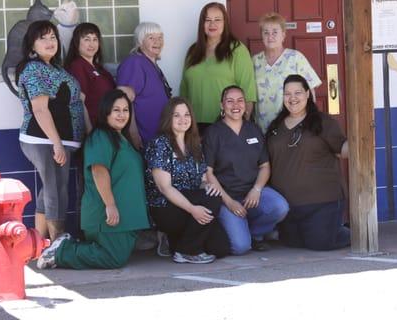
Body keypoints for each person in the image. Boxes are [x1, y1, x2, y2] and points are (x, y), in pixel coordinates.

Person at [37, 89, 150, 269]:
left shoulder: (122, 138)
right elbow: (99, 171)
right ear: (106, 112)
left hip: (126, 217)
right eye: (116, 110)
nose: (122, 115)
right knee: (113, 258)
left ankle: (65, 248)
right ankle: (61, 252)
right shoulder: (101, 136)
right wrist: (110, 204)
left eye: (125, 110)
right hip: (106, 213)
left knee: (118, 255)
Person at [15, 20, 87, 242]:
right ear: (32, 46)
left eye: (53, 37)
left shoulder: (56, 69)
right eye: (43, 38)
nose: (49, 42)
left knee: (52, 188)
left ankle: (38, 243)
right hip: (42, 139)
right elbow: (40, 109)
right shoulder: (34, 69)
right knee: (55, 188)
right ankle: (57, 242)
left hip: (62, 140)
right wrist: (56, 143)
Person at [266, 74, 350, 251]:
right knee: (292, 243)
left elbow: (343, 150)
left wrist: (363, 137)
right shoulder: (275, 126)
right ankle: (328, 229)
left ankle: (351, 232)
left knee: (319, 243)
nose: (292, 98)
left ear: (307, 94)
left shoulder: (323, 122)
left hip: (322, 202)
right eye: (287, 94)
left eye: (298, 92)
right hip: (289, 206)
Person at [203, 86, 289, 255]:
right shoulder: (213, 133)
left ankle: (254, 233)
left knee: (280, 207)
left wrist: (256, 190)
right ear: (222, 105)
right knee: (240, 247)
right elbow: (208, 173)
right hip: (225, 195)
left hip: (251, 192)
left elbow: (264, 166)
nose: (236, 105)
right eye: (230, 101)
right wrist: (229, 202)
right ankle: (237, 231)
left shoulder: (253, 129)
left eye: (240, 100)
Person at [144, 97, 230, 264]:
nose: (183, 119)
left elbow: (203, 179)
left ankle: (176, 241)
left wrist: (208, 186)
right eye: (176, 115)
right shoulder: (160, 144)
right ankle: (186, 251)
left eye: (186, 114)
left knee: (221, 248)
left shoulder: (194, 145)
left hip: (190, 205)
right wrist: (193, 209)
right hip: (166, 207)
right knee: (212, 199)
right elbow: (165, 188)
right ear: (168, 118)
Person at [181, 2, 256, 134]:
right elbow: (184, 91)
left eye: (217, 20)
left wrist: (240, 127)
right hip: (193, 127)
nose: (212, 24)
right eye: (207, 20)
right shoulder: (193, 51)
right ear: (201, 24)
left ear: (225, 23)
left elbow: (248, 92)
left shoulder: (237, 50)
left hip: (226, 125)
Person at [252, 12, 322, 133]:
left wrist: (311, 119)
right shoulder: (254, 61)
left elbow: (310, 92)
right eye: (266, 32)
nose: (270, 36)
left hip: (292, 126)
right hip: (262, 128)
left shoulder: (295, 58)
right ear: (261, 36)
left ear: (283, 35)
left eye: (275, 32)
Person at [117, 22, 172, 148]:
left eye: (160, 37)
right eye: (151, 38)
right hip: (143, 140)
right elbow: (124, 102)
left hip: (159, 140)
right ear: (140, 42)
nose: (157, 41)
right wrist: (134, 136)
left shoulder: (153, 65)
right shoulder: (134, 63)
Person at [64, 22, 116, 126]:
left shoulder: (99, 68)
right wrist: (89, 131)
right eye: (87, 39)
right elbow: (80, 102)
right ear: (77, 42)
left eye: (95, 39)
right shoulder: (78, 66)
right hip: (94, 128)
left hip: (108, 127)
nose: (91, 44)